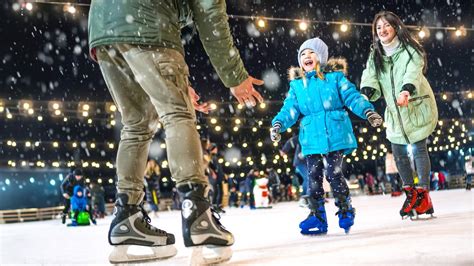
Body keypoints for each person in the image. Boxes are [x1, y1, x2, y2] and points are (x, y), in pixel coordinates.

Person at [88, 0, 264, 263]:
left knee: (136, 123)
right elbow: (209, 13)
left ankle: (127, 216)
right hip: (146, 23)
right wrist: (235, 76)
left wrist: (175, 83)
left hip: (104, 28)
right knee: (178, 114)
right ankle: (197, 213)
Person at [270, 37, 383, 235]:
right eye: (303, 54)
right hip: (311, 137)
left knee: (333, 173)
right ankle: (317, 216)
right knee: (313, 177)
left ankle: (345, 209)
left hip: (335, 133)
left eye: (311, 53)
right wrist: (278, 124)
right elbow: (290, 109)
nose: (307, 57)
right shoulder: (297, 85)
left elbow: (352, 97)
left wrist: (367, 111)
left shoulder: (335, 78)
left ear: (320, 57)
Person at [360, 11, 438, 219]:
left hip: (414, 104)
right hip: (395, 112)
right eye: (378, 28)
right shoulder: (375, 55)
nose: (383, 30)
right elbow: (370, 75)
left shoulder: (410, 49)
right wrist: (366, 93)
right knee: (399, 152)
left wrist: (406, 90)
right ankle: (411, 194)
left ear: (395, 27)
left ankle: (423, 194)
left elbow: (413, 70)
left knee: (419, 149)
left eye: (387, 25)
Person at [280, 134, 309, 207]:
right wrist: (284, 150)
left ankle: (312, 197)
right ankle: (304, 198)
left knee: (312, 178)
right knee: (308, 178)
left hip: (308, 161)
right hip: (300, 161)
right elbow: (291, 141)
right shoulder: (304, 135)